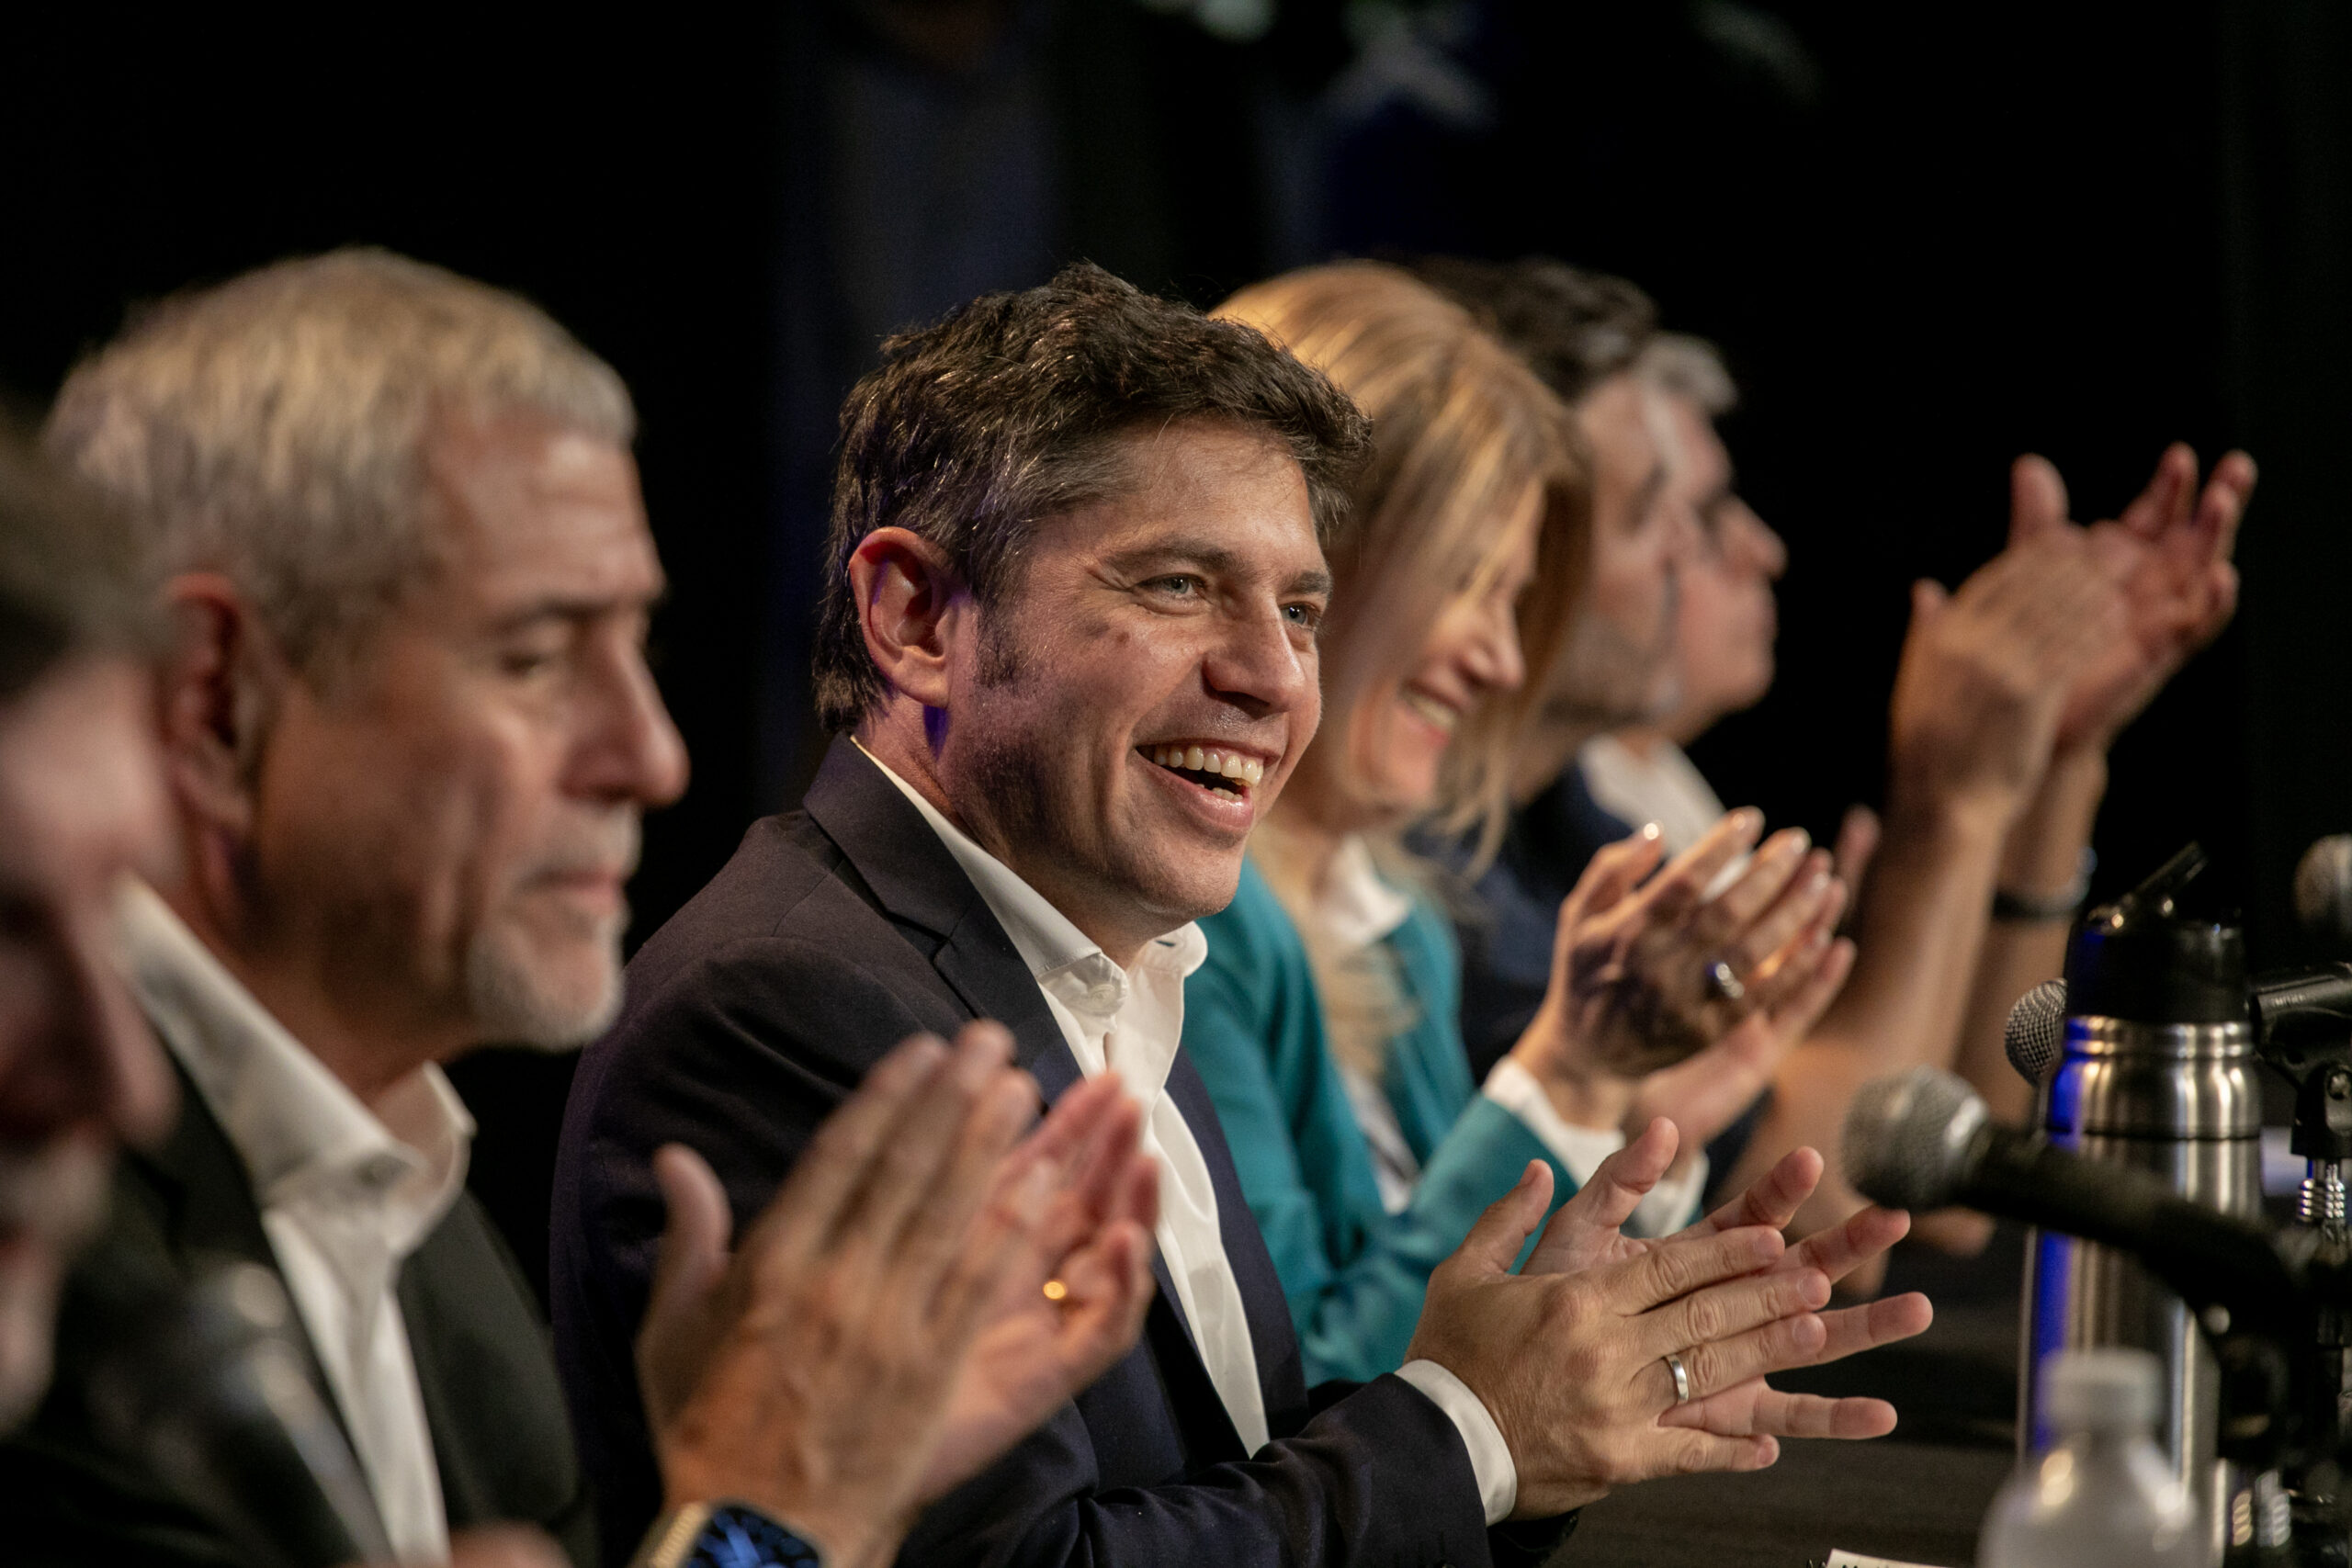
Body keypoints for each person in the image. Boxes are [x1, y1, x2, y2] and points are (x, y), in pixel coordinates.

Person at [551, 261, 1931, 1568]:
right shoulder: (795, 1005)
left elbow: (1240, 1475)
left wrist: (1545, 1395)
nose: (1273, 677)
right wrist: (1468, 1433)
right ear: (917, 616)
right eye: (1177, 584)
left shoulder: (1114, 950)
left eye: (1302, 609)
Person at [1, 249, 1159, 1568]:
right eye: (538, 655)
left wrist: (742, 1498)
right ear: (216, 700)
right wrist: (766, 1519)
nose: (650, 757)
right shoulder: (54, 1247)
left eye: (636, 646)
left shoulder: (417, 1211)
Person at [1425, 256, 2255, 1246]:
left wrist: (2057, 754)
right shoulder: (1445, 879)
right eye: (1662, 514)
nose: (1730, 550)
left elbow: (1955, 1169)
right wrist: (1950, 805)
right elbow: (1828, 1196)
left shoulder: (1574, 812)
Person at [1179, 262, 1856, 1386]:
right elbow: (1311, 1393)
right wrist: (1562, 1082)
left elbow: (1487, 1332)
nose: (1500, 658)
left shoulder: (1399, 921)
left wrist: (1634, 1130)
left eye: (1514, 597)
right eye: (1467, 582)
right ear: (1321, 555)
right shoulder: (1194, 921)